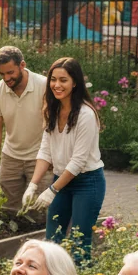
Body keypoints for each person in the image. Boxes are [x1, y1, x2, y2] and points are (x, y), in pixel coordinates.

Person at [23, 57, 105, 264]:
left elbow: (78, 162)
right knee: (52, 241)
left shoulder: (86, 114)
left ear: (75, 82)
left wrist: (51, 191)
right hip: (62, 181)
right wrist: (32, 186)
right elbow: (45, 151)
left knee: (80, 241)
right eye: (53, 79)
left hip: (87, 183)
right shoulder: (53, 109)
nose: (57, 85)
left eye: (63, 80)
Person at [0, 45, 50, 210]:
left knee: (38, 210)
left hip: (39, 157)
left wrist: (53, 157)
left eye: (10, 73)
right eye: (2, 74)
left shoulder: (44, 86)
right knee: (8, 210)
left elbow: (53, 126)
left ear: (22, 65)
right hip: (10, 158)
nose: (6, 78)